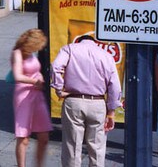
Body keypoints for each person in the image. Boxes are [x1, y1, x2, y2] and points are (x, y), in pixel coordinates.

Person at [51, 34, 121, 167]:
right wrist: (111, 112)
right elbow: (115, 86)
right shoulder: (106, 56)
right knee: (97, 148)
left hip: (74, 101)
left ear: (79, 41)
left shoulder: (69, 49)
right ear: (95, 43)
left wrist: (59, 89)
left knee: (72, 147)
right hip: (98, 103)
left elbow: (56, 67)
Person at [10, 28, 51, 167]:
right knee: (24, 137)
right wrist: (35, 81)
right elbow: (18, 76)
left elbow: (36, 71)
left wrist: (39, 77)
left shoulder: (32, 53)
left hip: (37, 94)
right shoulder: (17, 53)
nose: (39, 48)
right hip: (24, 96)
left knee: (44, 135)